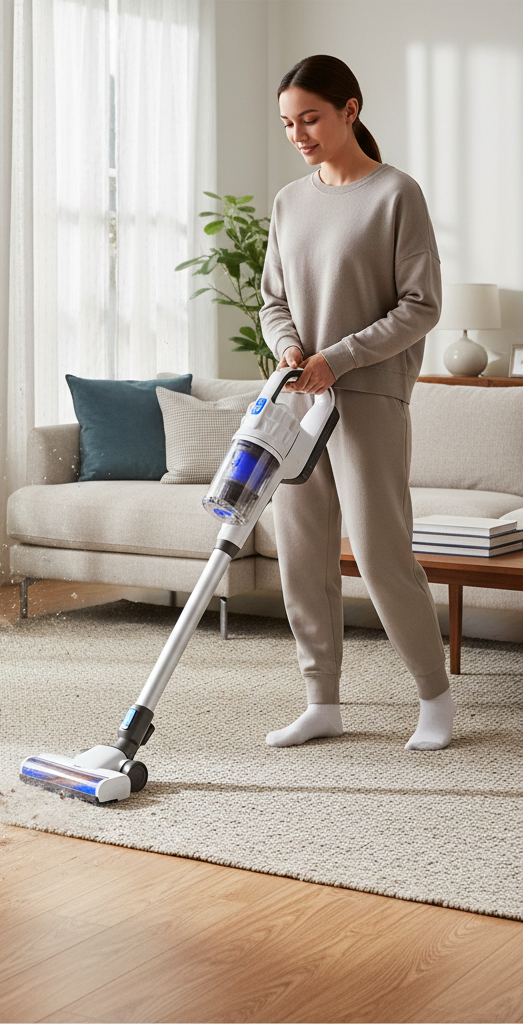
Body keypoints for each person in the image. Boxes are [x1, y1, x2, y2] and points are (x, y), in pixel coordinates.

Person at [259, 54, 454, 751]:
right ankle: (323, 702)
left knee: (379, 553)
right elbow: (272, 301)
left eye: (310, 118)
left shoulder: (396, 195)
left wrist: (335, 358)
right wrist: (288, 352)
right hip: (295, 398)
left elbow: (421, 306)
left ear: (350, 109)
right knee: (301, 553)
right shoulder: (289, 201)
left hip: (368, 393)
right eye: (287, 123)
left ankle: (433, 696)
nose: (299, 133)